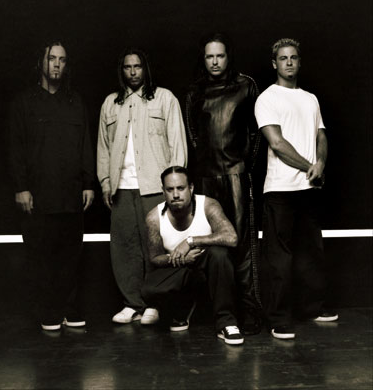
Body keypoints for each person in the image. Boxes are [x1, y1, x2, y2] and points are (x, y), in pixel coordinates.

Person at [254, 38, 338, 340]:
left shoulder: (310, 99)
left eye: (293, 57)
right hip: (280, 190)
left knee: (310, 253)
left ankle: (312, 308)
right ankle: (278, 319)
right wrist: (309, 166)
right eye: (283, 58)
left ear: (299, 62)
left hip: (309, 187)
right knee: (279, 258)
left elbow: (321, 135)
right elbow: (277, 143)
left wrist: (321, 164)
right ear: (274, 63)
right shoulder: (267, 98)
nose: (288, 62)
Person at [97, 48, 187, 325]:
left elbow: (177, 142)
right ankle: (132, 303)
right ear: (121, 70)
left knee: (155, 247)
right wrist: (105, 183)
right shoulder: (111, 103)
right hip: (122, 188)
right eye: (128, 67)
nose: (133, 71)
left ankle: (153, 303)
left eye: (138, 66)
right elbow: (103, 147)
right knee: (124, 248)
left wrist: (176, 186)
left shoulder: (165, 98)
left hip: (155, 187)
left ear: (145, 68)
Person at [9, 39, 95, 331]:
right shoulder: (24, 102)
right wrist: (21, 187)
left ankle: (69, 309)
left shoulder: (75, 102)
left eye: (62, 59)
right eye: (52, 58)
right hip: (38, 195)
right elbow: (16, 148)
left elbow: (85, 145)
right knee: (41, 256)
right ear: (41, 63)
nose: (57, 64)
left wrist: (88, 183)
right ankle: (49, 312)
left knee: (70, 256)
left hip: (71, 194)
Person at [185, 33, 263, 335]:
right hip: (206, 179)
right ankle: (218, 314)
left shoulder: (246, 85)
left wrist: (242, 168)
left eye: (219, 55)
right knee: (212, 243)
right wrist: (206, 168)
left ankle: (250, 312)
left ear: (228, 57)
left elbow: (256, 133)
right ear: (203, 59)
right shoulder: (195, 91)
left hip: (236, 175)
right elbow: (194, 136)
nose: (215, 62)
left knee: (242, 245)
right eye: (209, 56)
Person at [142, 166, 244, 345]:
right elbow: (155, 258)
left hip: (208, 272)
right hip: (181, 272)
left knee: (219, 254)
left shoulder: (208, 205)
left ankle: (226, 322)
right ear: (163, 191)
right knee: (149, 289)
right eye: (170, 189)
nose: (175, 195)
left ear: (191, 188)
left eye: (180, 188)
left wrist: (191, 241)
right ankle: (182, 309)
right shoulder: (154, 218)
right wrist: (182, 259)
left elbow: (231, 237)